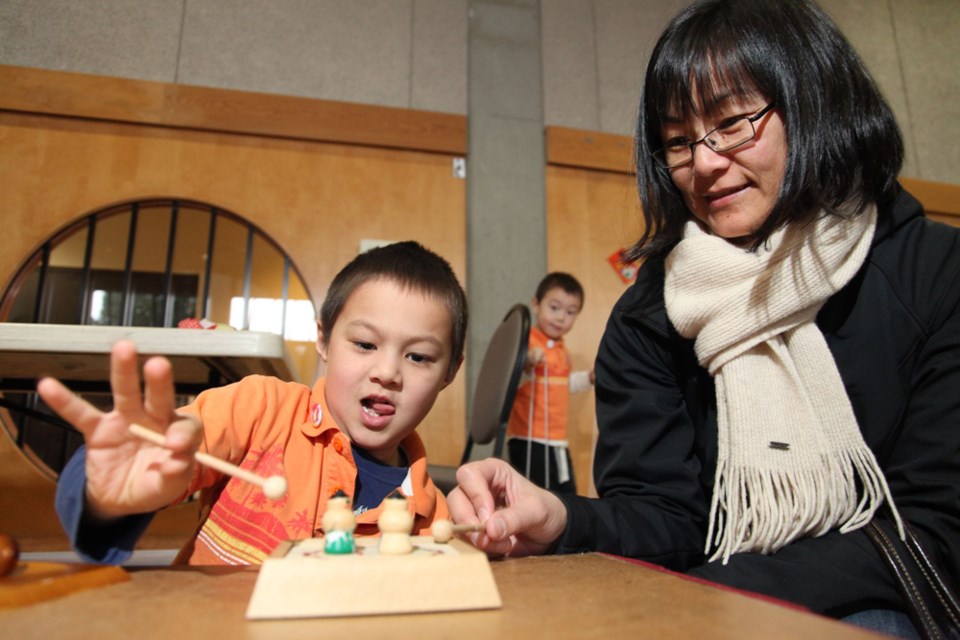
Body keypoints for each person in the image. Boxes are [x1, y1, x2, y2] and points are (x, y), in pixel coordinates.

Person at [447, 0, 960, 635]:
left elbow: (936, 528)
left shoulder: (933, 271)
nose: (706, 162)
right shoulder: (648, 317)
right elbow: (665, 517)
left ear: (817, 104)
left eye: (734, 122)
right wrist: (563, 519)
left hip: (880, 598)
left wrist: (710, 595)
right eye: (678, 140)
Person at [41, 240, 467, 565]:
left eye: (418, 357)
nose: (388, 372)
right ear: (323, 339)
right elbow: (138, 476)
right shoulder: (260, 409)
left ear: (449, 371)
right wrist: (108, 498)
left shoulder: (432, 517)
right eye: (364, 344)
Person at [506, 272, 593, 494]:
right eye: (554, 308)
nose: (561, 317)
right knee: (533, 501)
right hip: (529, 440)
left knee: (565, 498)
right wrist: (526, 364)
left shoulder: (563, 350)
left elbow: (563, 385)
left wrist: (588, 379)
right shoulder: (527, 340)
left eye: (570, 312)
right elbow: (509, 383)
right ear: (536, 304)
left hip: (557, 441)